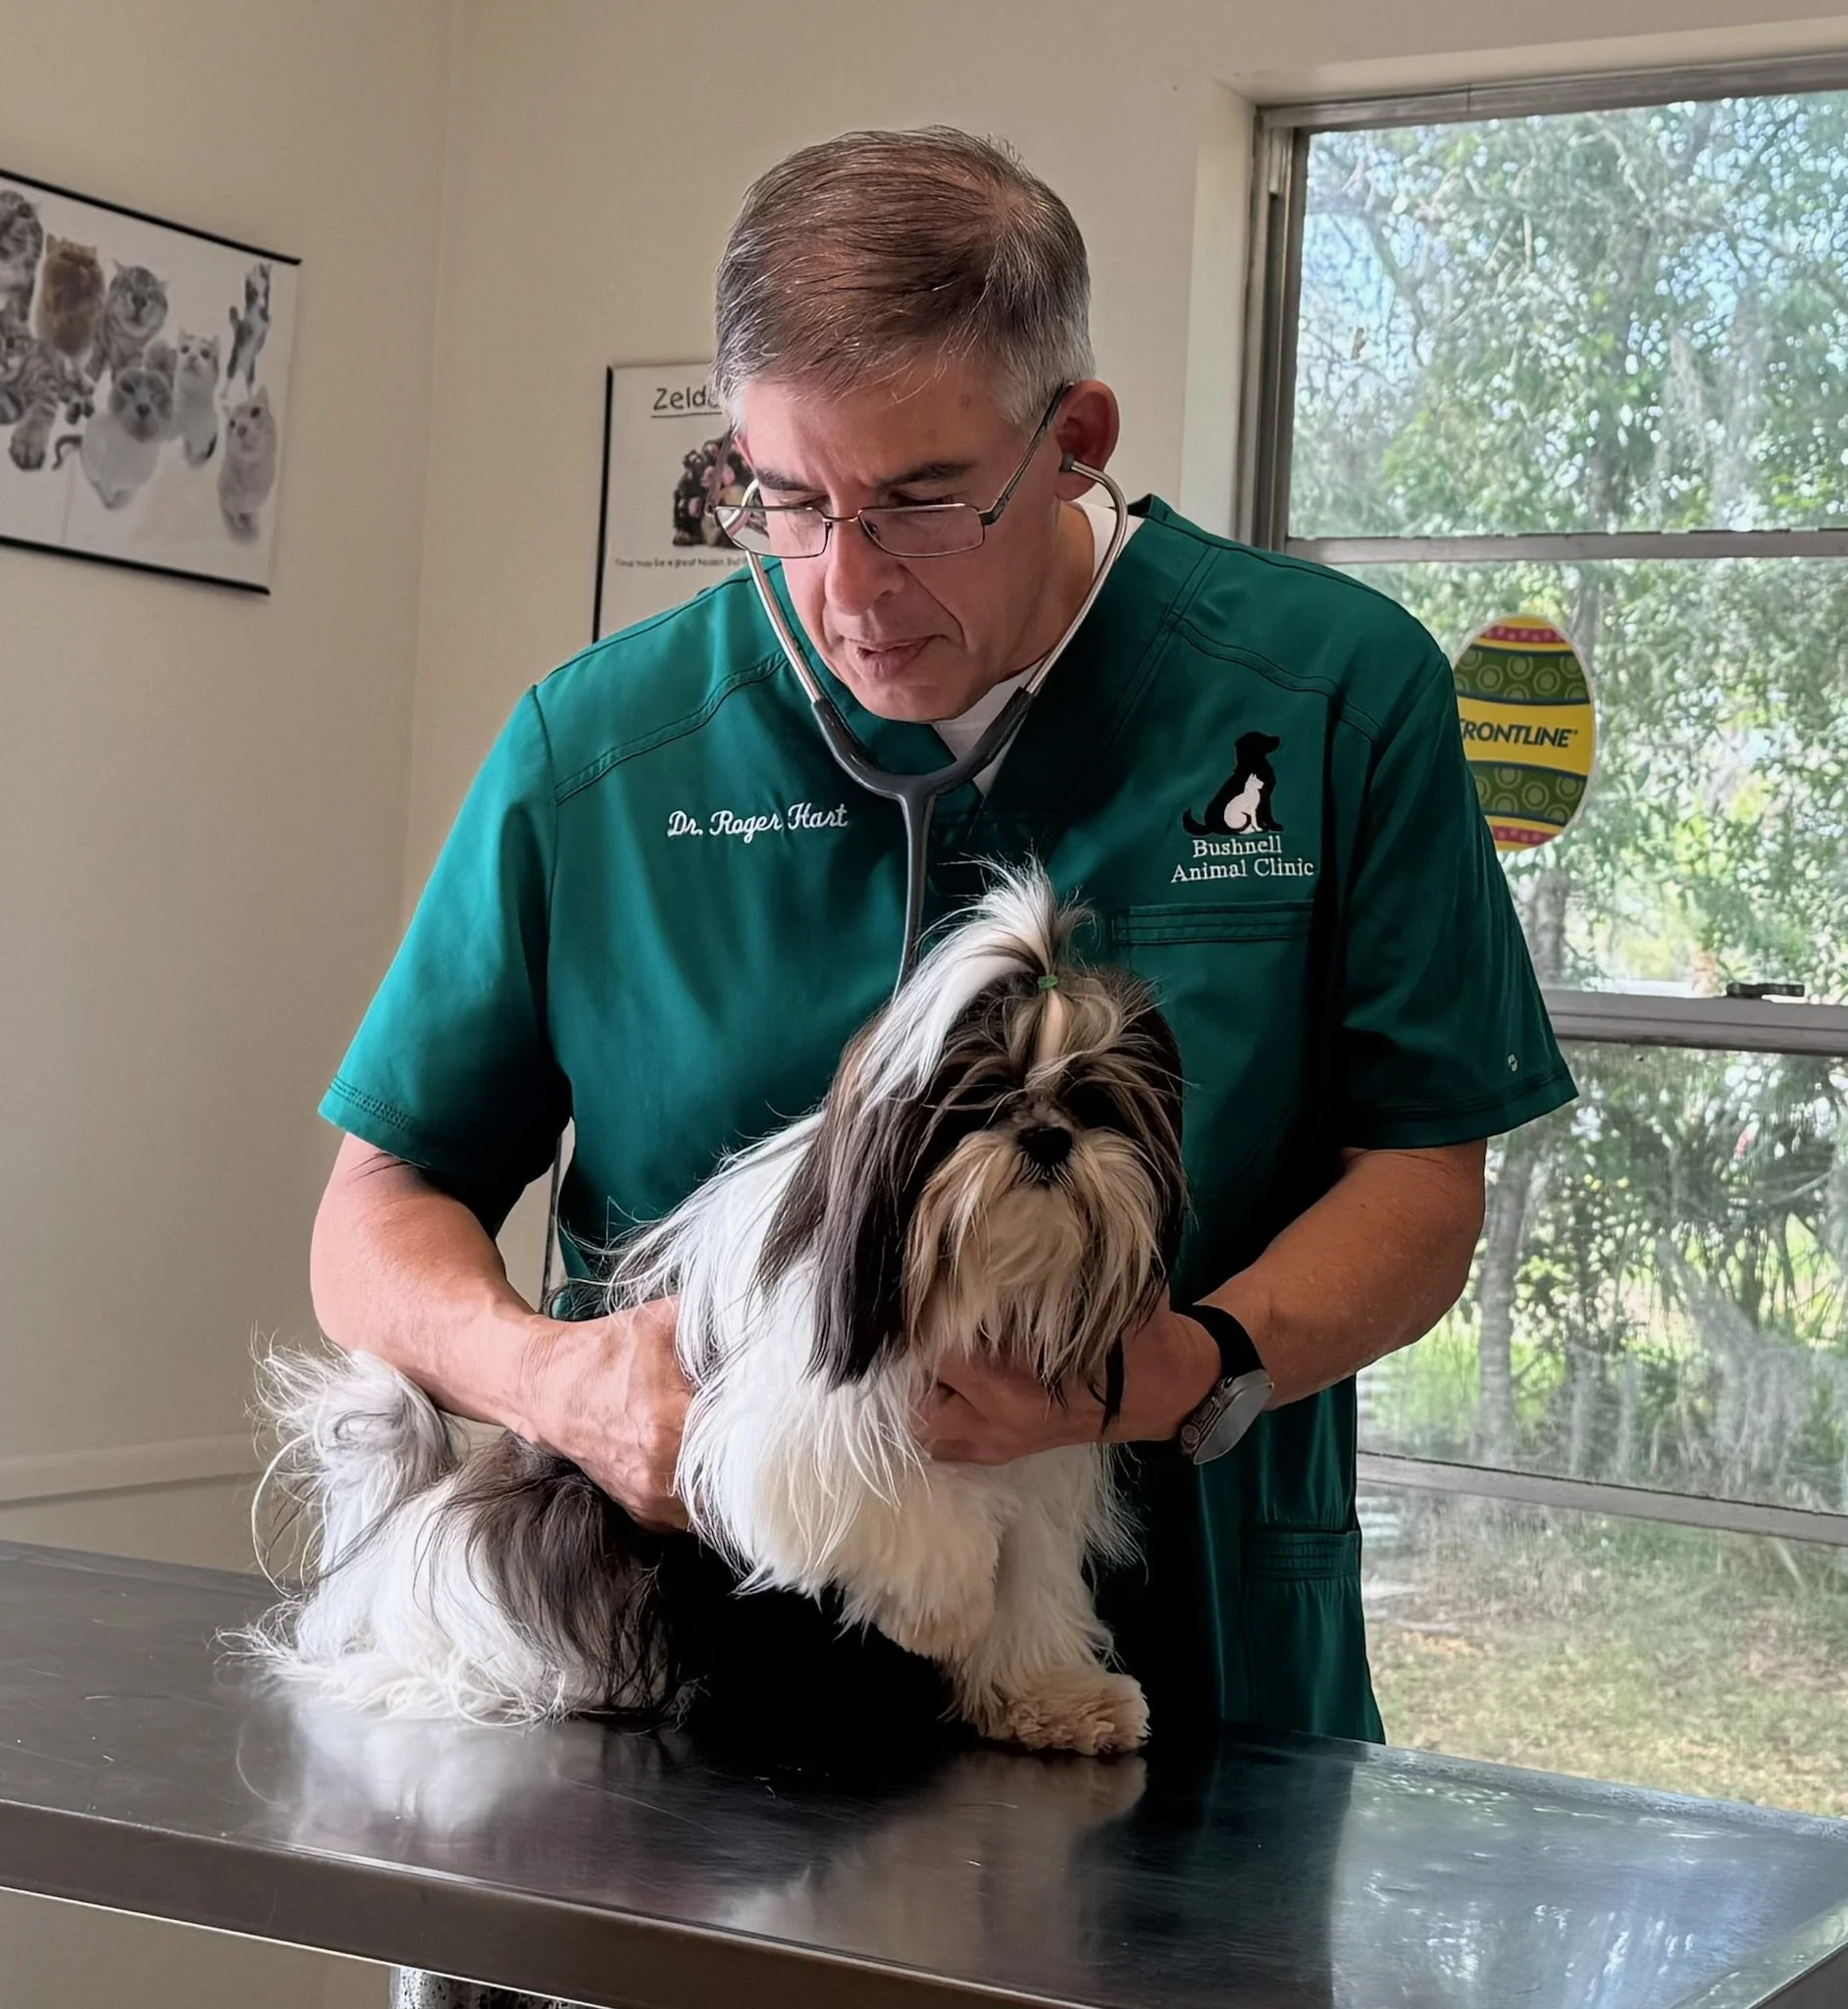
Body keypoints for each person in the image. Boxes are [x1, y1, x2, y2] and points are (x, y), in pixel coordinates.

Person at [311, 127, 1574, 1765]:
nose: (848, 586)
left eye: (919, 503)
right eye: (785, 500)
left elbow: (1417, 1184)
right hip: (681, 1703)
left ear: (1074, 440)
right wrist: (555, 1385)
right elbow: (371, 1216)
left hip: (1181, 1678)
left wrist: (1184, 1366)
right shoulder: (602, 749)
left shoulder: (1328, 699)